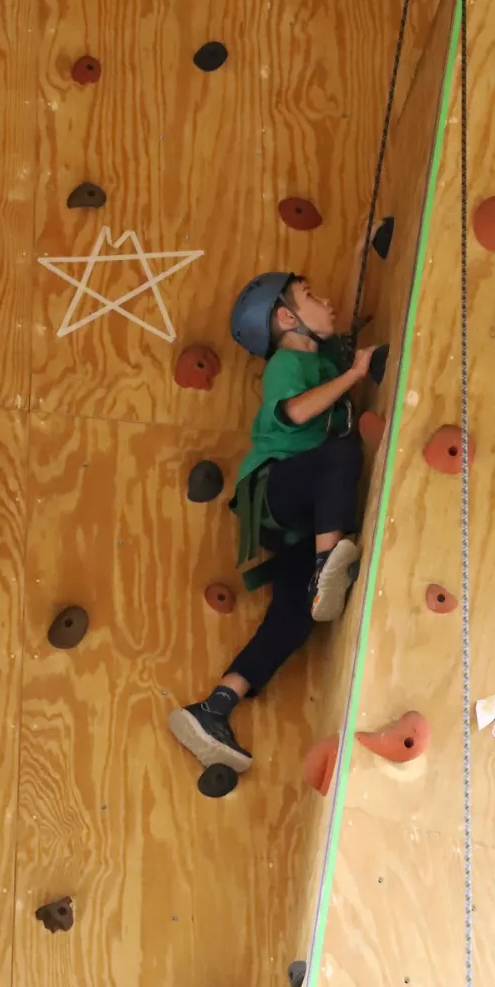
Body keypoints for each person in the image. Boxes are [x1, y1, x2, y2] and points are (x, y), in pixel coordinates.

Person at [168, 272, 375, 776]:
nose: (325, 300)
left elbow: (341, 310)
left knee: (295, 615)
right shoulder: (288, 363)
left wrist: (362, 248)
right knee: (338, 453)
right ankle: (329, 561)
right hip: (273, 495)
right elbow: (300, 412)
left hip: (298, 521)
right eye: (311, 296)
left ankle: (215, 707)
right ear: (286, 318)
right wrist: (356, 376)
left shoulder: (320, 358)